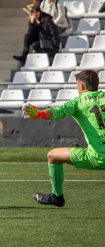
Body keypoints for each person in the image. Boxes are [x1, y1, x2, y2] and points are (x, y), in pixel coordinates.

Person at [23, 69, 105, 207]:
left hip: (98, 157)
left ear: (82, 86)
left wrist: (40, 113)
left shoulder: (78, 101)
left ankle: (57, 197)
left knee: (52, 156)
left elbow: (57, 112)